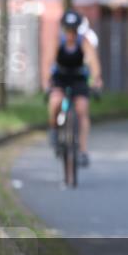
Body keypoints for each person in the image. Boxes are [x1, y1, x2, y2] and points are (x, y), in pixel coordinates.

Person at [45, 10, 102, 166]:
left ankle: (82, 151)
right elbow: (48, 61)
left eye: (73, 30)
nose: (71, 33)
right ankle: (54, 130)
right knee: (55, 101)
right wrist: (47, 82)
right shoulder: (57, 41)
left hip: (78, 78)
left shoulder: (83, 42)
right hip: (60, 78)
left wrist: (96, 79)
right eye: (68, 29)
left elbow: (93, 62)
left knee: (82, 109)